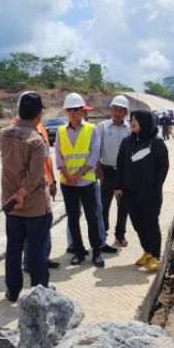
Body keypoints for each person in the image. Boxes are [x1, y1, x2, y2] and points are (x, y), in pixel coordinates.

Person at [0, 91, 54, 302]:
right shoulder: (36, 141)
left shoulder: (4, 133)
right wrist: (22, 194)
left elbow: (14, 126)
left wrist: (15, 197)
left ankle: (13, 291)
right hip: (34, 206)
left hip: (10, 205)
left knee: (13, 248)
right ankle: (39, 294)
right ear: (39, 114)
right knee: (36, 252)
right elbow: (34, 177)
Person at [115, 109, 169, 272]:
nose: (132, 123)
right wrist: (117, 187)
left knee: (151, 224)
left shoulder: (156, 143)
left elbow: (163, 167)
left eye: (136, 120)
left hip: (150, 193)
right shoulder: (126, 142)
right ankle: (147, 252)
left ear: (145, 122)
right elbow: (120, 165)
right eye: (131, 119)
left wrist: (156, 186)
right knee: (138, 224)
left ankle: (156, 257)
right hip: (130, 192)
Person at [56, 92, 104, 267]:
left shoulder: (92, 129)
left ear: (83, 110)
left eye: (76, 109)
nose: (73, 113)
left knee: (92, 217)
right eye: (70, 110)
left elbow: (95, 154)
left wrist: (79, 174)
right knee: (73, 218)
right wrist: (68, 175)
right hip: (68, 183)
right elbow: (59, 157)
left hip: (86, 182)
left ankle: (97, 253)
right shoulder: (61, 131)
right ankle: (78, 251)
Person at [64, 103, 115, 255]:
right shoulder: (67, 131)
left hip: (90, 179)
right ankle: (73, 244)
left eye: (86, 112)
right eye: (85, 111)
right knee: (74, 213)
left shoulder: (91, 129)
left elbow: (95, 153)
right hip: (73, 180)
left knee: (96, 211)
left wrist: (99, 172)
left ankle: (100, 242)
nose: (86, 114)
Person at [96, 95, 131, 247]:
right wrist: (98, 169)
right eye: (115, 109)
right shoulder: (102, 127)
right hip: (107, 172)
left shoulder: (130, 129)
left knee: (123, 206)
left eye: (120, 110)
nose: (117, 112)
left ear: (125, 112)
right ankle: (102, 235)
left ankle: (120, 235)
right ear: (111, 110)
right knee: (104, 205)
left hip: (124, 174)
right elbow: (95, 150)